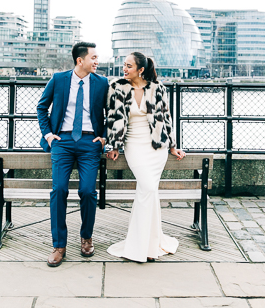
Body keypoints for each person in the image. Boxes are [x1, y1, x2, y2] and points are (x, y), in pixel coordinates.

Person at [105, 51, 186, 262]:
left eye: (129, 66)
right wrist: (115, 146)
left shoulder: (158, 88)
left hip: (157, 147)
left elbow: (167, 118)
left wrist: (173, 146)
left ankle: (146, 245)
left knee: (148, 191)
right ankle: (144, 245)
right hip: (133, 144)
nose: (124, 69)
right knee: (149, 189)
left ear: (141, 70)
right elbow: (112, 119)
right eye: (124, 65)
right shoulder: (116, 87)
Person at [37, 41, 109, 267]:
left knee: (87, 191)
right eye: (93, 58)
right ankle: (59, 246)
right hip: (63, 141)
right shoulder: (59, 79)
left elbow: (112, 113)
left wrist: (104, 136)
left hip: (90, 141)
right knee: (59, 190)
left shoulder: (102, 83)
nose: (97, 61)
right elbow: (41, 107)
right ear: (80, 60)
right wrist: (49, 134)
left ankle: (86, 237)